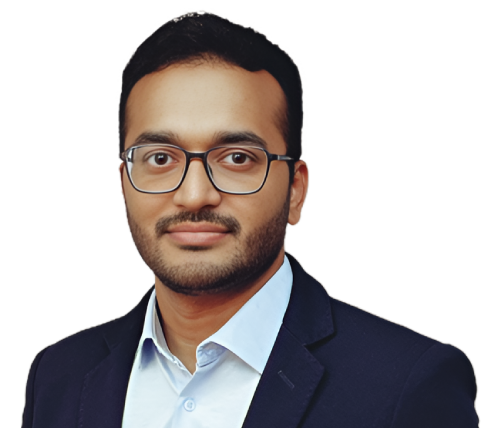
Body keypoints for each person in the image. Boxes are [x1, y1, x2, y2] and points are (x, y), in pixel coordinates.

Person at [21, 11, 478, 428]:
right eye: (160, 157)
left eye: (237, 158)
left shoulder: (406, 386)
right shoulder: (59, 376)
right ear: (124, 186)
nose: (194, 194)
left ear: (295, 189)